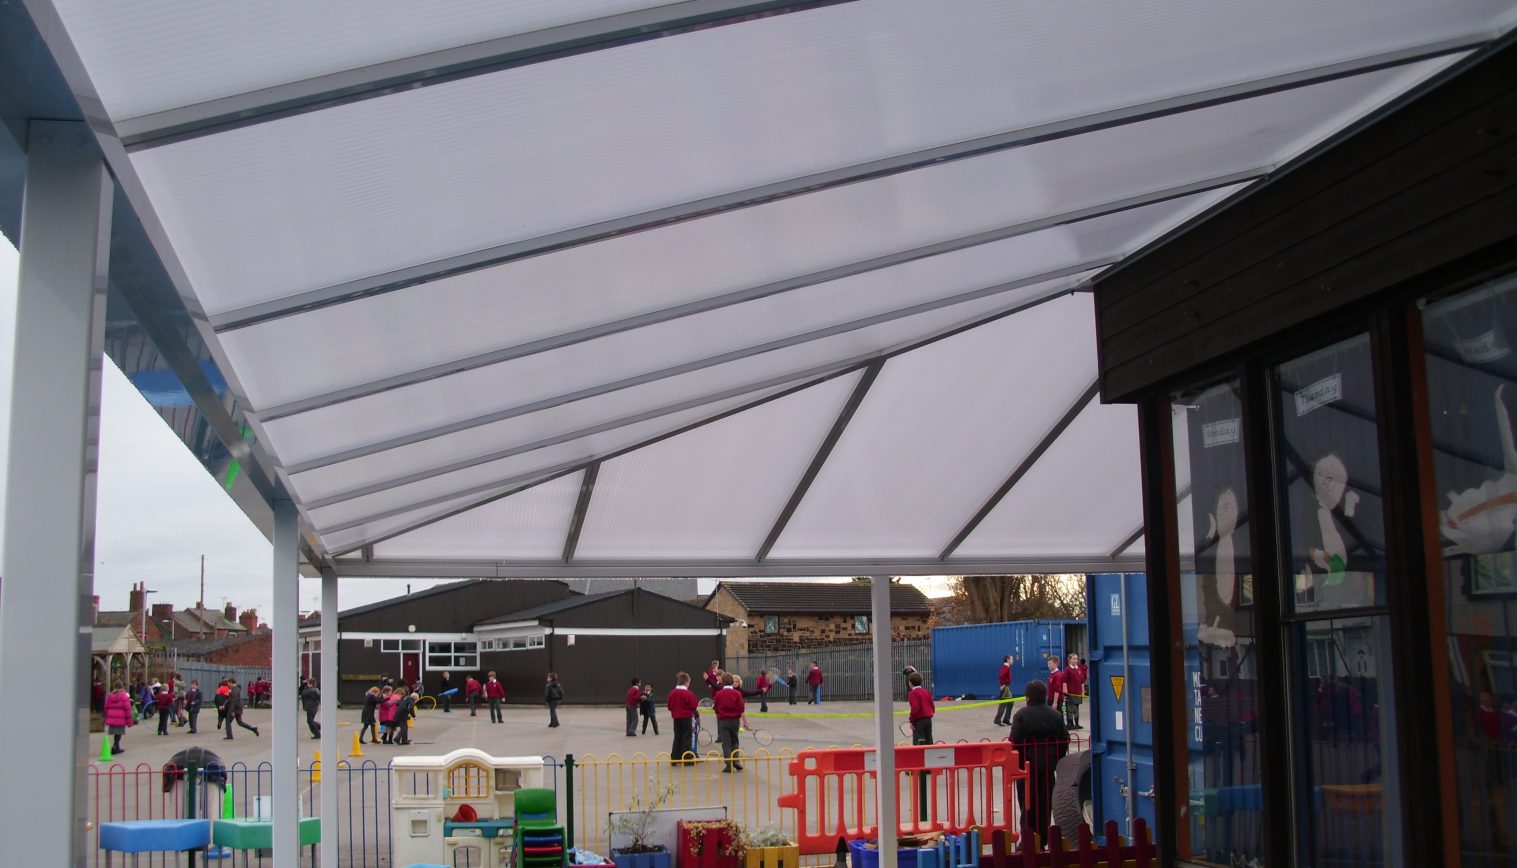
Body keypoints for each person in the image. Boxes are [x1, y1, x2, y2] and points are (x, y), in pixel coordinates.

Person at [1009, 679, 1069, 843]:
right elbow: (1064, 739)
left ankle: (1028, 839)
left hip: (1026, 769)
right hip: (1048, 768)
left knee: (1027, 804)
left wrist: (1019, 760)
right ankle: (1042, 839)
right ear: (1044, 696)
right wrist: (1057, 759)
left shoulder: (1021, 715)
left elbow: (1014, 741)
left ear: (1028, 697)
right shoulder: (1055, 715)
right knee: (1045, 804)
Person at [714, 673, 746, 772]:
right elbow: (741, 709)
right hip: (735, 721)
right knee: (735, 741)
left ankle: (728, 765)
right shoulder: (737, 694)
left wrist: (719, 717)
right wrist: (746, 722)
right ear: (732, 682)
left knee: (726, 743)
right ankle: (736, 761)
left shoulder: (719, 694)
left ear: (722, 682)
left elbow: (716, 709)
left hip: (723, 721)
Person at [667, 671, 699, 763]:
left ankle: (675, 757)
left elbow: (669, 706)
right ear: (686, 682)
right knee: (687, 737)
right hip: (686, 718)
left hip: (676, 718)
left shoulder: (672, 693)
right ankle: (687, 758)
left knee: (677, 736)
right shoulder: (688, 693)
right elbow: (694, 706)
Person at [104, 680, 135, 755]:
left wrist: (106, 716)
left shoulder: (110, 696)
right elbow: (127, 709)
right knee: (119, 733)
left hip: (112, 717)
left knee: (116, 733)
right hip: (121, 718)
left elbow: (106, 707)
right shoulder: (125, 696)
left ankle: (116, 746)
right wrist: (130, 721)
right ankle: (115, 746)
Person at [907, 670, 935, 745]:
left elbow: (915, 708)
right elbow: (932, 706)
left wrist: (912, 721)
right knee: (929, 741)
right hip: (928, 720)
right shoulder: (926, 692)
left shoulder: (912, 693)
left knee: (919, 743)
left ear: (910, 683)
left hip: (919, 721)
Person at [1062, 653, 1087, 730]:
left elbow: (1082, 681)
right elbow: (1064, 681)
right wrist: (1065, 690)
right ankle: (1070, 723)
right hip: (1070, 693)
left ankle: (1076, 723)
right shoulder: (1067, 670)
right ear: (1069, 660)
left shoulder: (1079, 669)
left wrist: (1083, 691)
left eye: (1076, 659)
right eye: (1073, 659)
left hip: (1078, 693)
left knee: (1076, 708)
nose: (1075, 660)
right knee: (1069, 708)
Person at [993, 655, 1016, 726]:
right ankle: (998, 720)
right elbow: (1001, 675)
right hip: (1006, 687)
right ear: (1008, 659)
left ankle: (1005, 719)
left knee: (1010, 703)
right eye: (1012, 659)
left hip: (1006, 687)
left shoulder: (1006, 667)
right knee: (1003, 704)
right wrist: (1003, 684)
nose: (1012, 661)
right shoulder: (1006, 667)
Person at [1045, 657, 1065, 724]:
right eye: (1048, 663)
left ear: (1056, 664)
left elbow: (1057, 690)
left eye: (1050, 664)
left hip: (1056, 700)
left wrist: (1055, 702)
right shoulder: (1052, 674)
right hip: (1050, 699)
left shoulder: (1057, 675)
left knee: (1057, 715)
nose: (1048, 665)